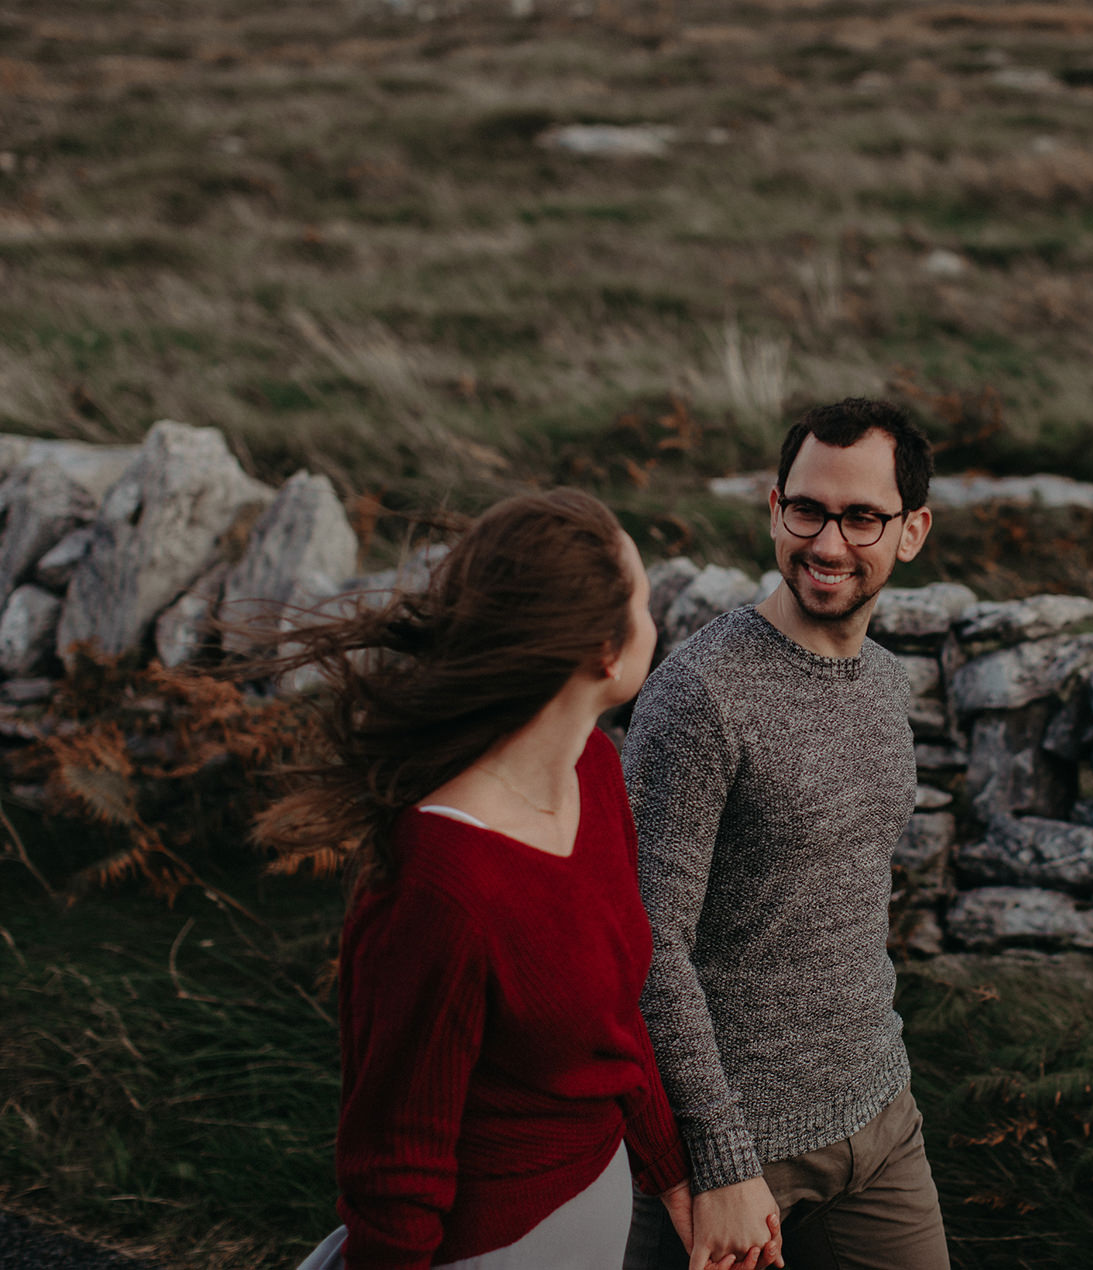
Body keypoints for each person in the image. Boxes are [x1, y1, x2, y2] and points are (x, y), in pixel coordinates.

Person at [263, 490, 780, 1270]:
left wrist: (677, 1179)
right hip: (488, 1249)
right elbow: (396, 1173)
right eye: (642, 603)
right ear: (606, 655)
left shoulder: (596, 771)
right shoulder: (439, 889)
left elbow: (612, 1018)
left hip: (597, 1207)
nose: (656, 622)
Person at [623, 399, 951, 1270]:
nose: (829, 544)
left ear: (911, 530)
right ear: (775, 508)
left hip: (882, 1123)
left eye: (862, 518)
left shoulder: (886, 684)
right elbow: (649, 945)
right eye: (807, 510)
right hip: (732, 1157)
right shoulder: (699, 696)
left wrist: (885, 1081)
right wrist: (720, 1159)